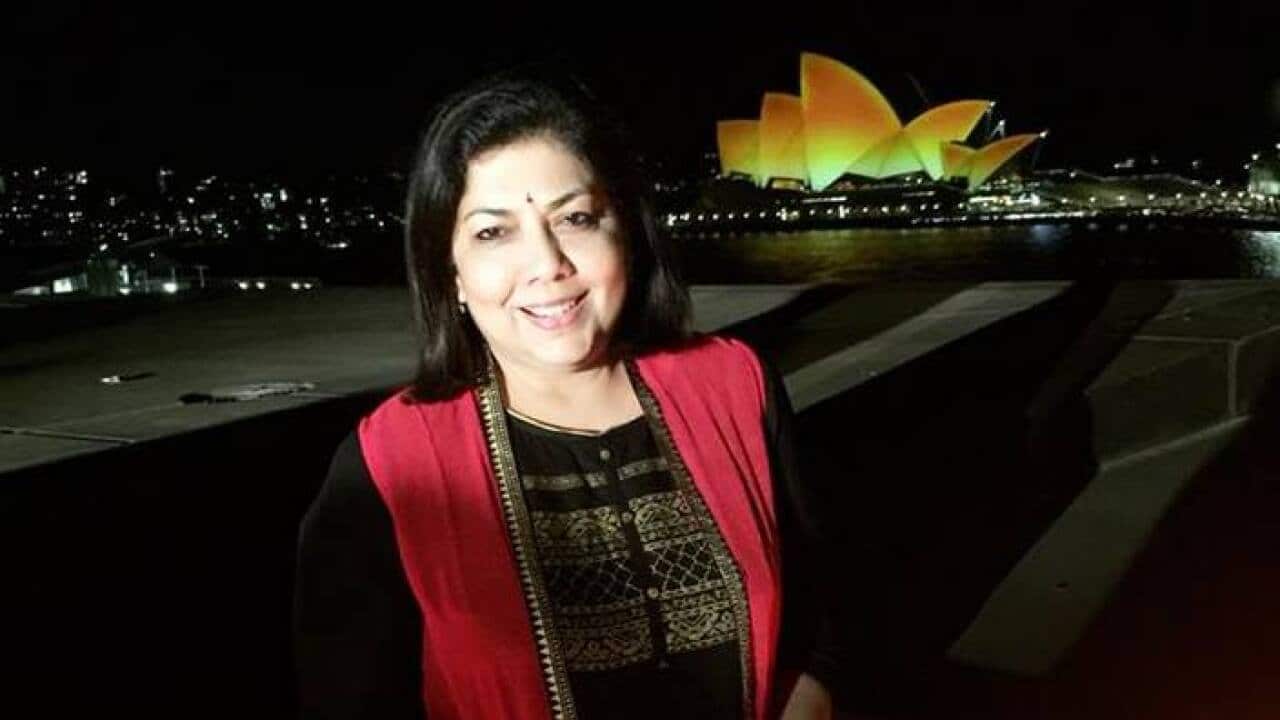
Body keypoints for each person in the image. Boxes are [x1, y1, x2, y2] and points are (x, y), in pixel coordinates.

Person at [293, 72, 852, 719]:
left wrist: (812, 693)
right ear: (452, 274)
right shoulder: (391, 462)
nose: (548, 264)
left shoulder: (734, 386)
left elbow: (822, 597)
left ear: (626, 234)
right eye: (493, 233)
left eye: (575, 218)